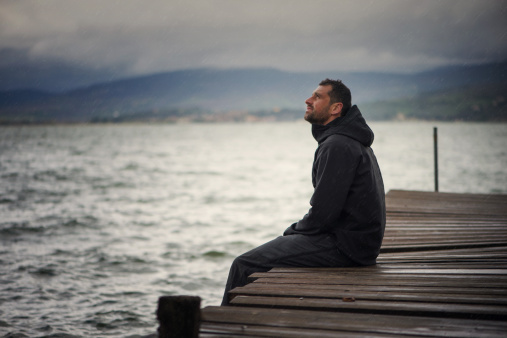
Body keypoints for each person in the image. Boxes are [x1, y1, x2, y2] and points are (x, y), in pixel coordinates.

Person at [221, 78, 386, 306]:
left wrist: (293, 231)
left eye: (318, 97)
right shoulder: (348, 141)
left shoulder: (337, 145)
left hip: (347, 248)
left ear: (336, 108)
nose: (308, 100)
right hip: (358, 243)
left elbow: (323, 215)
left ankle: (228, 324)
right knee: (275, 248)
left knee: (245, 264)